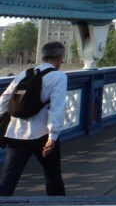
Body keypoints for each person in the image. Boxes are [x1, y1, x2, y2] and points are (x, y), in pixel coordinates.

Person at [0, 41, 67, 196]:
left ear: (43, 56)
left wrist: (5, 121)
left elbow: (4, 100)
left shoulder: (25, 73)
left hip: (15, 134)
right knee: (52, 177)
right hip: (42, 136)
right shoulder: (58, 77)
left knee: (8, 179)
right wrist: (53, 135)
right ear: (58, 58)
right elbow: (57, 108)